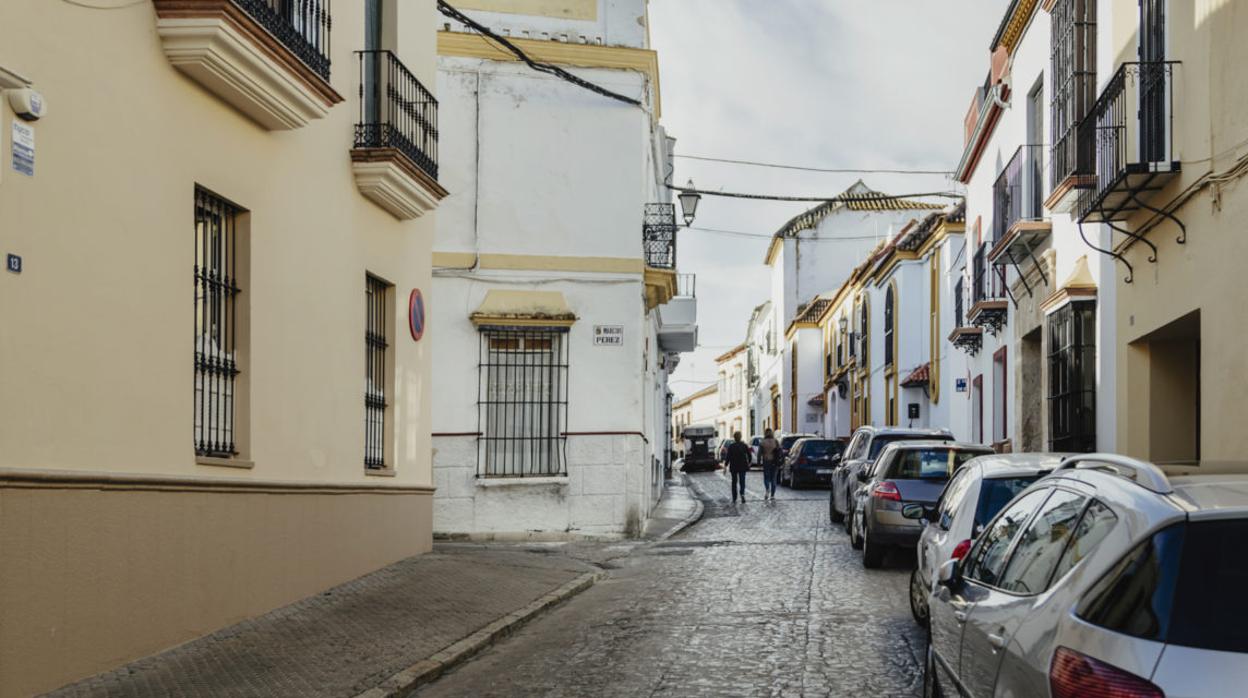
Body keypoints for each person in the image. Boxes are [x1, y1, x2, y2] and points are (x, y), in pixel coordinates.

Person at [725, 431, 752, 503]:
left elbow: (728, 457)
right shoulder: (744, 445)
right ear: (740, 437)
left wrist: (725, 465)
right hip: (742, 466)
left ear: (734, 438)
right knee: (742, 481)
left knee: (734, 482)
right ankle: (742, 494)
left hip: (734, 466)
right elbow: (749, 455)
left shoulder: (731, 446)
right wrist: (749, 463)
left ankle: (734, 497)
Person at [759, 428, 781, 500]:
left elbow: (759, 453)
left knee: (766, 477)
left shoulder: (762, 442)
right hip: (775, 462)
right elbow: (779, 451)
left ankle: (767, 489)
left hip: (766, 461)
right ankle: (772, 495)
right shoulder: (776, 441)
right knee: (773, 478)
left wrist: (759, 462)